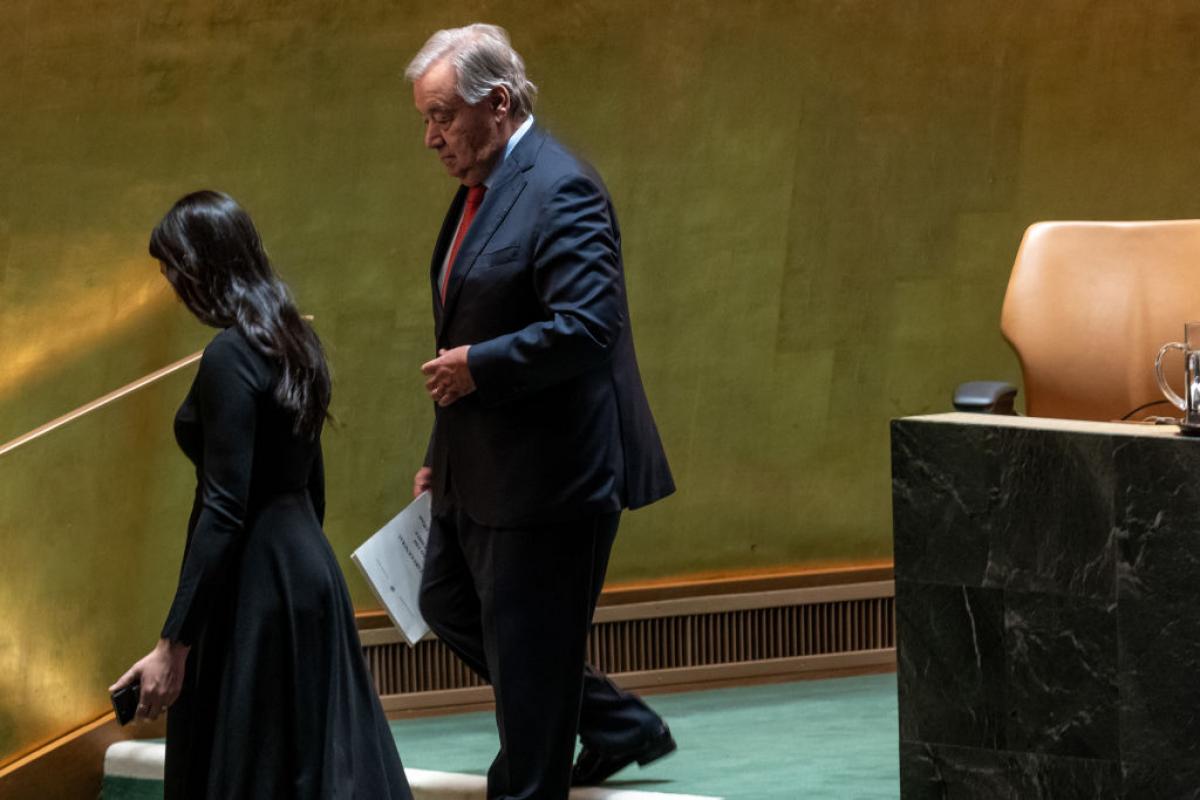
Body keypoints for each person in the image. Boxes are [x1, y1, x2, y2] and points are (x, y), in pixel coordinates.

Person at [406, 24, 677, 799]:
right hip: (480, 467)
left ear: (496, 103)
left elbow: (590, 326)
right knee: (447, 604)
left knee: (528, 685)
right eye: (425, 120)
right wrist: (442, 452)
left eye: (440, 116)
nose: (431, 138)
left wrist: (480, 371)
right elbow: (463, 333)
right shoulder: (480, 190)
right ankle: (617, 723)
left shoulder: (562, 187)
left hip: (553, 479)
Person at [109, 191, 412, 800]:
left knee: (254, 766)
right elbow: (310, 479)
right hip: (305, 570)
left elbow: (223, 507)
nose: (170, 281)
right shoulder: (293, 340)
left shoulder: (228, 355)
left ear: (206, 265)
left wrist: (173, 644)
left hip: (254, 577)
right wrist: (300, 568)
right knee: (318, 764)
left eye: (174, 265)